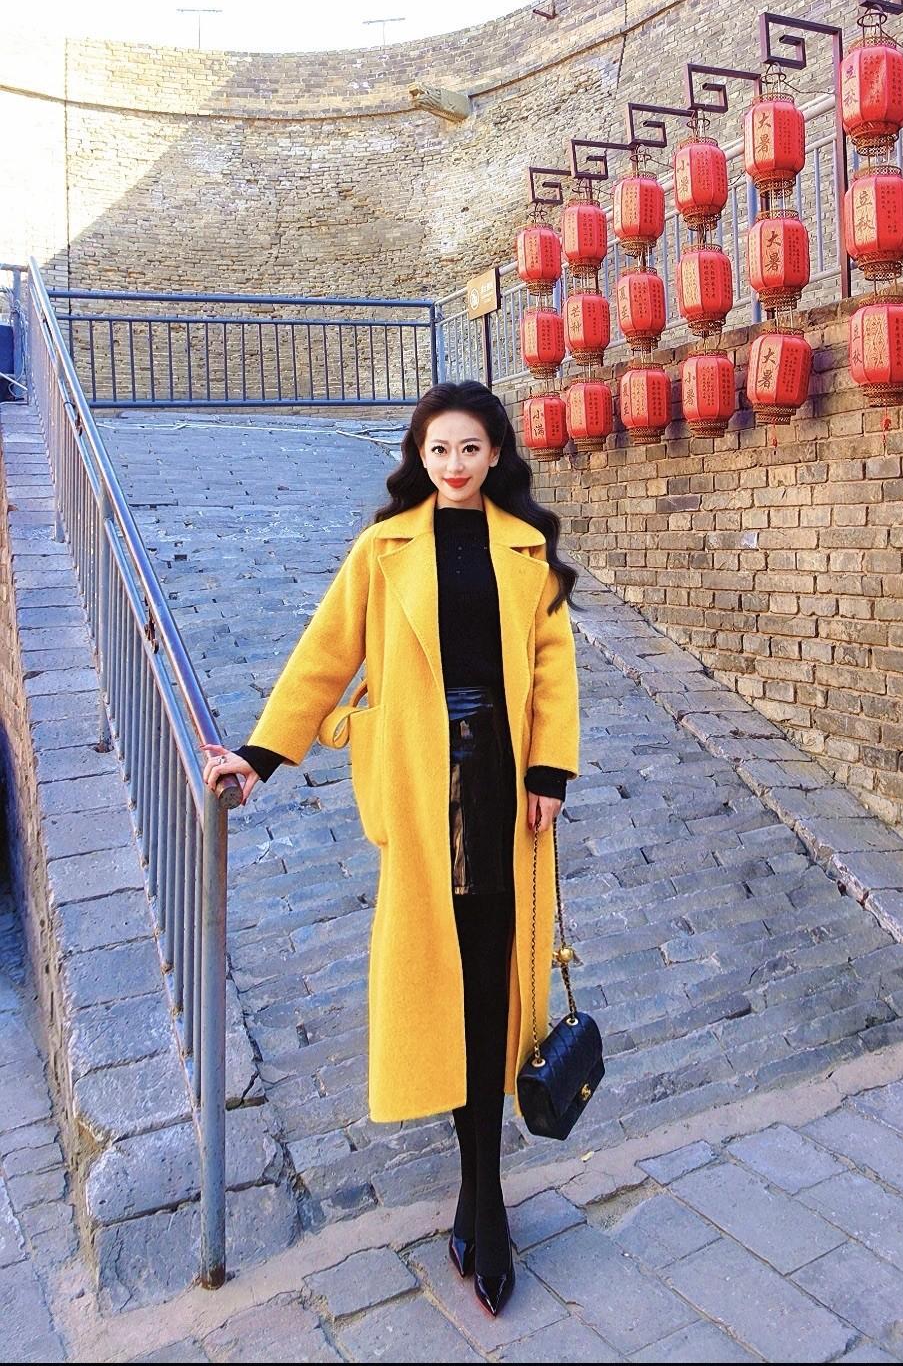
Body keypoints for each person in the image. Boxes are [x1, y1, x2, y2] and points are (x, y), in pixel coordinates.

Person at [200, 380, 581, 1319]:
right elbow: (326, 653)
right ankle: (479, 1192)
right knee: (446, 987)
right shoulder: (384, 548)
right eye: (438, 449)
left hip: (504, 792)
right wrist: (260, 755)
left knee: (491, 984)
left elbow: (552, 668)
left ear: (497, 454)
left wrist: (549, 771)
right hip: (421, 791)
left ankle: (485, 1196)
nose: (454, 464)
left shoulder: (528, 548)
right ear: (419, 456)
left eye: (470, 448)